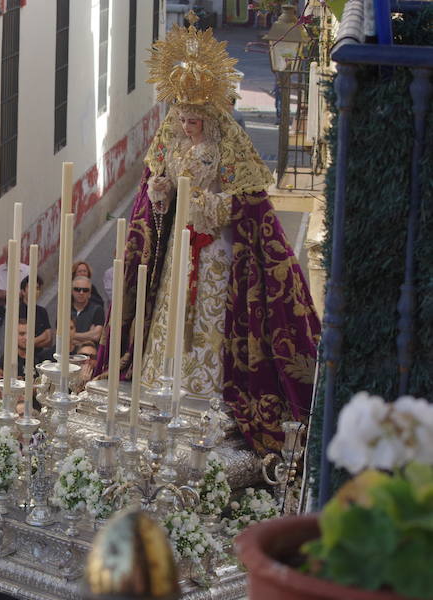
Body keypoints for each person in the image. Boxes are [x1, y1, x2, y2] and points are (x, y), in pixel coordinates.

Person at [96, 18, 320, 454]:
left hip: (216, 249)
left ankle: (207, 383)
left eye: (193, 118)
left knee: (210, 313)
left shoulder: (229, 144)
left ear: (209, 114)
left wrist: (208, 203)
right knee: (169, 305)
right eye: (181, 117)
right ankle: (165, 377)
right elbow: (155, 192)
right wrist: (162, 194)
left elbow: (249, 204)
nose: (186, 124)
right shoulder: (171, 140)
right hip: (180, 243)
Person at [19, 275, 53, 365]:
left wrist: (29, 342)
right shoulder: (16, 311)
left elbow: (49, 339)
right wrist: (41, 338)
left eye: (37, 288)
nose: (35, 291)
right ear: (23, 291)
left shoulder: (42, 311)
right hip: (20, 357)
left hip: (40, 356)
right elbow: (17, 341)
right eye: (31, 288)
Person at [70, 276, 105, 348]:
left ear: (89, 293)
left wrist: (70, 335)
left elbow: (96, 336)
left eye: (85, 290)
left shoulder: (97, 310)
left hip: (89, 352)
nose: (81, 293)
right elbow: (60, 335)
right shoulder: (65, 310)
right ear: (72, 291)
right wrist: (88, 335)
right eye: (77, 289)